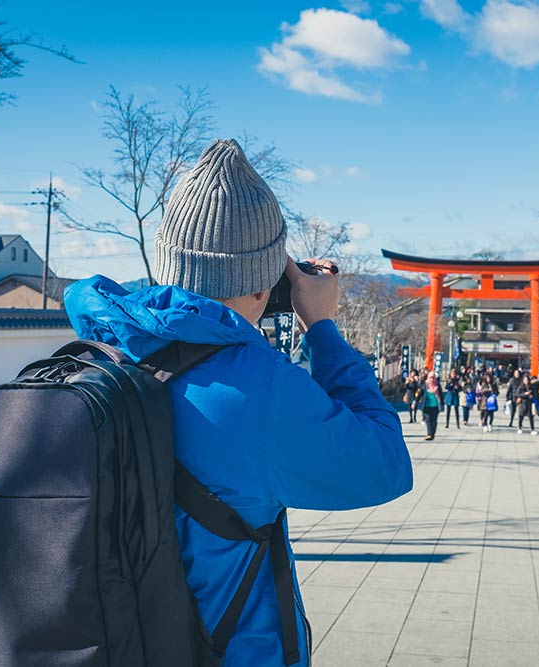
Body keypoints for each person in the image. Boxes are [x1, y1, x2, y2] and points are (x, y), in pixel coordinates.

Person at [64, 139, 412, 667]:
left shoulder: (101, 347)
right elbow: (387, 464)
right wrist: (321, 326)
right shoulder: (259, 391)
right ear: (264, 281)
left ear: (166, 264)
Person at [421, 371, 443, 441]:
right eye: (430, 378)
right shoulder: (425, 385)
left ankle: (433, 433)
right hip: (427, 405)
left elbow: (441, 395)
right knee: (428, 420)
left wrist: (442, 404)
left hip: (435, 406)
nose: (432, 380)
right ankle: (429, 434)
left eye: (433, 378)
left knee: (434, 421)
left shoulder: (437, 385)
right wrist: (415, 401)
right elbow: (420, 393)